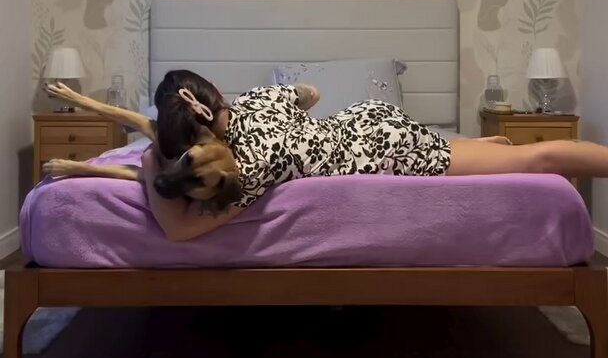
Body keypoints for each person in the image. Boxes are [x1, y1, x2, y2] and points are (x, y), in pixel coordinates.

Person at [141, 75, 601, 243]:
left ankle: (493, 154)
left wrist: (148, 163)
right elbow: (310, 94)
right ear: (217, 93)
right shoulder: (256, 97)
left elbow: (179, 230)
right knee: (464, 151)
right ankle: (489, 149)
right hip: (367, 120)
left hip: (385, 149)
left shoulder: (252, 165)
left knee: (537, 160)